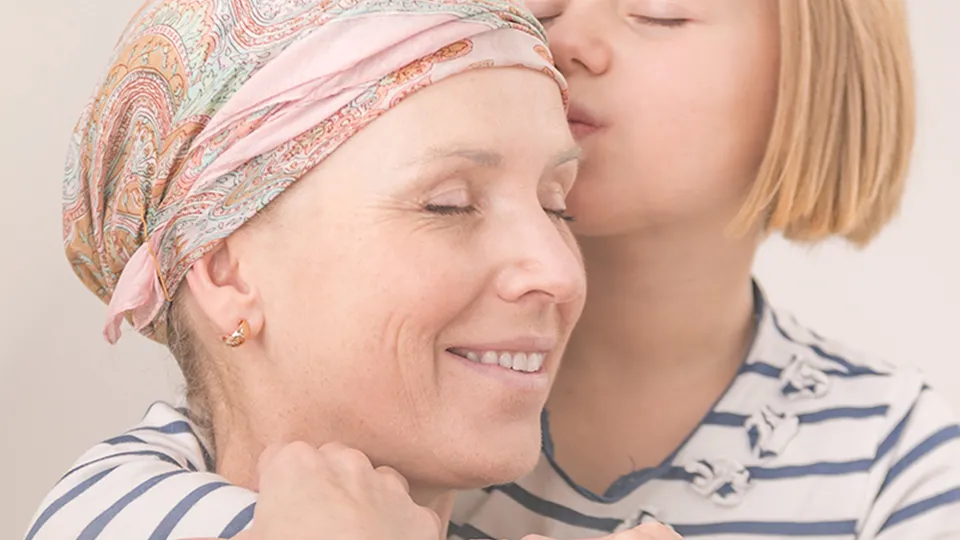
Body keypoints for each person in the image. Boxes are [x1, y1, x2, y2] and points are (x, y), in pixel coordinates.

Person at [26, 0, 960, 539]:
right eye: (539, 3)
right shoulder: (395, 409)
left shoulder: (900, 463)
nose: (569, 40)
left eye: (660, 9)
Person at [22, 1, 675, 539]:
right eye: (449, 205)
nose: (559, 273)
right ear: (226, 274)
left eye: (556, 206)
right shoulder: (114, 515)